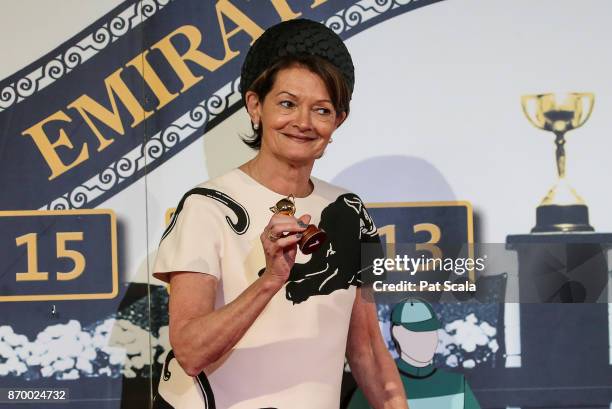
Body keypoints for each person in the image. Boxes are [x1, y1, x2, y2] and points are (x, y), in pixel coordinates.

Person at [152, 19, 408, 409]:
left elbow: (369, 350)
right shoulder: (207, 207)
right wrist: (271, 279)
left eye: (321, 110)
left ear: (338, 121)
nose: (303, 123)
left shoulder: (349, 213)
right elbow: (190, 351)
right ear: (256, 105)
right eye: (287, 104)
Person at [347, 298, 481, 409]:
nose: (427, 340)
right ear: (397, 333)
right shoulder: (375, 384)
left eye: (430, 332)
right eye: (418, 333)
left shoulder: (456, 383)